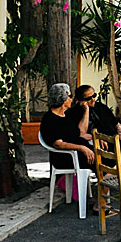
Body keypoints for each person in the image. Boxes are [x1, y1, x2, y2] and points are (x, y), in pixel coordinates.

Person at [40, 83, 103, 213]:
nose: (71, 99)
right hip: (66, 156)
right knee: (104, 165)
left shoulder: (66, 115)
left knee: (107, 159)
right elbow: (59, 143)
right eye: (69, 96)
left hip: (77, 152)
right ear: (63, 100)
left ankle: (100, 200)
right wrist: (82, 148)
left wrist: (86, 111)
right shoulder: (50, 119)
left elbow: (79, 132)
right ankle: (100, 204)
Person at [69, 85, 121, 176]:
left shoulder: (101, 107)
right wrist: (86, 110)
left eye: (94, 95)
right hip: (98, 143)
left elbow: (116, 122)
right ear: (81, 100)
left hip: (112, 138)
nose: (93, 99)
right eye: (89, 98)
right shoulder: (76, 113)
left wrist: (120, 133)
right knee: (115, 153)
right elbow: (81, 133)